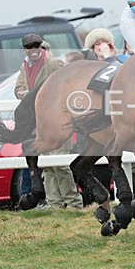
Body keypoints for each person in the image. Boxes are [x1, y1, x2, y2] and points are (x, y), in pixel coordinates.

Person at [15, 34, 80, 209]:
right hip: (40, 125)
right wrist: (22, 93)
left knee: (60, 164)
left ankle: (73, 203)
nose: (34, 50)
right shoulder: (25, 68)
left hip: (58, 122)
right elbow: (18, 87)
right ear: (25, 50)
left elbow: (64, 88)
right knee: (47, 166)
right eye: (30, 47)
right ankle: (55, 203)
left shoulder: (54, 64)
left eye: (37, 46)